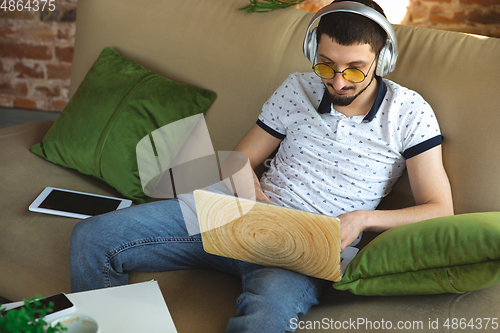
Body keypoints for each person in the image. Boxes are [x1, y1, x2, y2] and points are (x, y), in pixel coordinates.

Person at [70, 0, 454, 331]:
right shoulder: (298, 88)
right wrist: (255, 199)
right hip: (238, 214)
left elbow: (440, 209)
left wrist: (361, 220)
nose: (337, 82)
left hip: (305, 246)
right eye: (326, 66)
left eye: (355, 69)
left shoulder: (409, 113)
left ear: (382, 59)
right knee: (93, 238)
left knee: (266, 318)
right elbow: (241, 159)